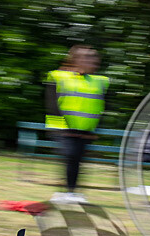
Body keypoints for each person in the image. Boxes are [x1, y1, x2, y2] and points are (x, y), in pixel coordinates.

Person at [45, 45, 109, 203]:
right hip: (62, 128)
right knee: (71, 156)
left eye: (94, 59)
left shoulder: (100, 82)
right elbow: (52, 104)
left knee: (78, 160)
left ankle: (70, 193)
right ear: (75, 60)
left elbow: (103, 106)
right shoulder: (58, 76)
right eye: (87, 58)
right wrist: (66, 128)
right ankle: (67, 193)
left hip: (85, 130)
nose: (92, 61)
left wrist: (96, 128)